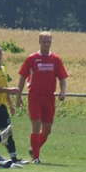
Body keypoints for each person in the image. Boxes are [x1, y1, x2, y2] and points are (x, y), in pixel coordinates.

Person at [17, 31, 68, 163]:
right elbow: (22, 77)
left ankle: (34, 148)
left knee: (47, 129)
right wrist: (18, 95)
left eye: (48, 41)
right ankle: (36, 157)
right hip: (35, 96)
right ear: (39, 42)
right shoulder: (32, 58)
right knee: (36, 124)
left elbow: (62, 78)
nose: (46, 44)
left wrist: (63, 91)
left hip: (49, 97)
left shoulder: (56, 60)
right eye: (44, 41)